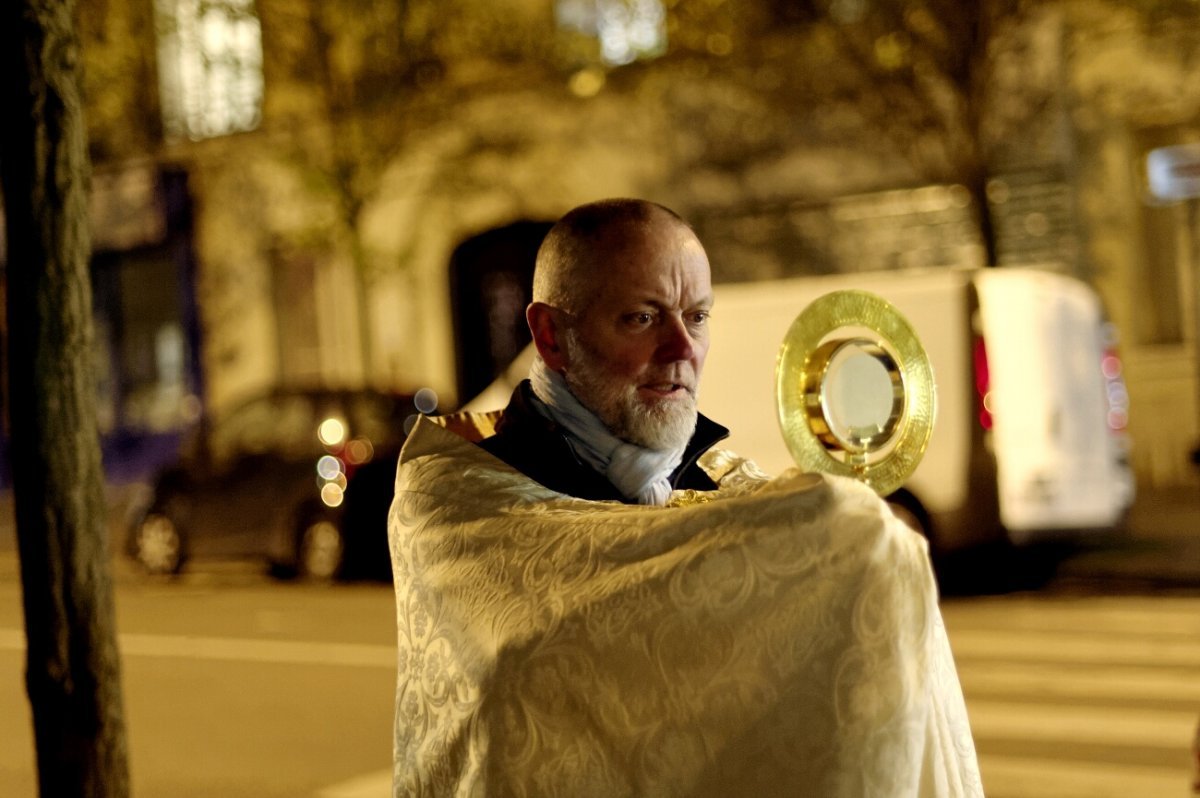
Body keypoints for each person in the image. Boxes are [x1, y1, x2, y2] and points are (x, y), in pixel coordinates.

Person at [388, 199, 982, 798]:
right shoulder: (459, 486)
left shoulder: (728, 483)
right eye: (642, 319)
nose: (681, 350)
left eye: (696, 317)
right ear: (551, 335)